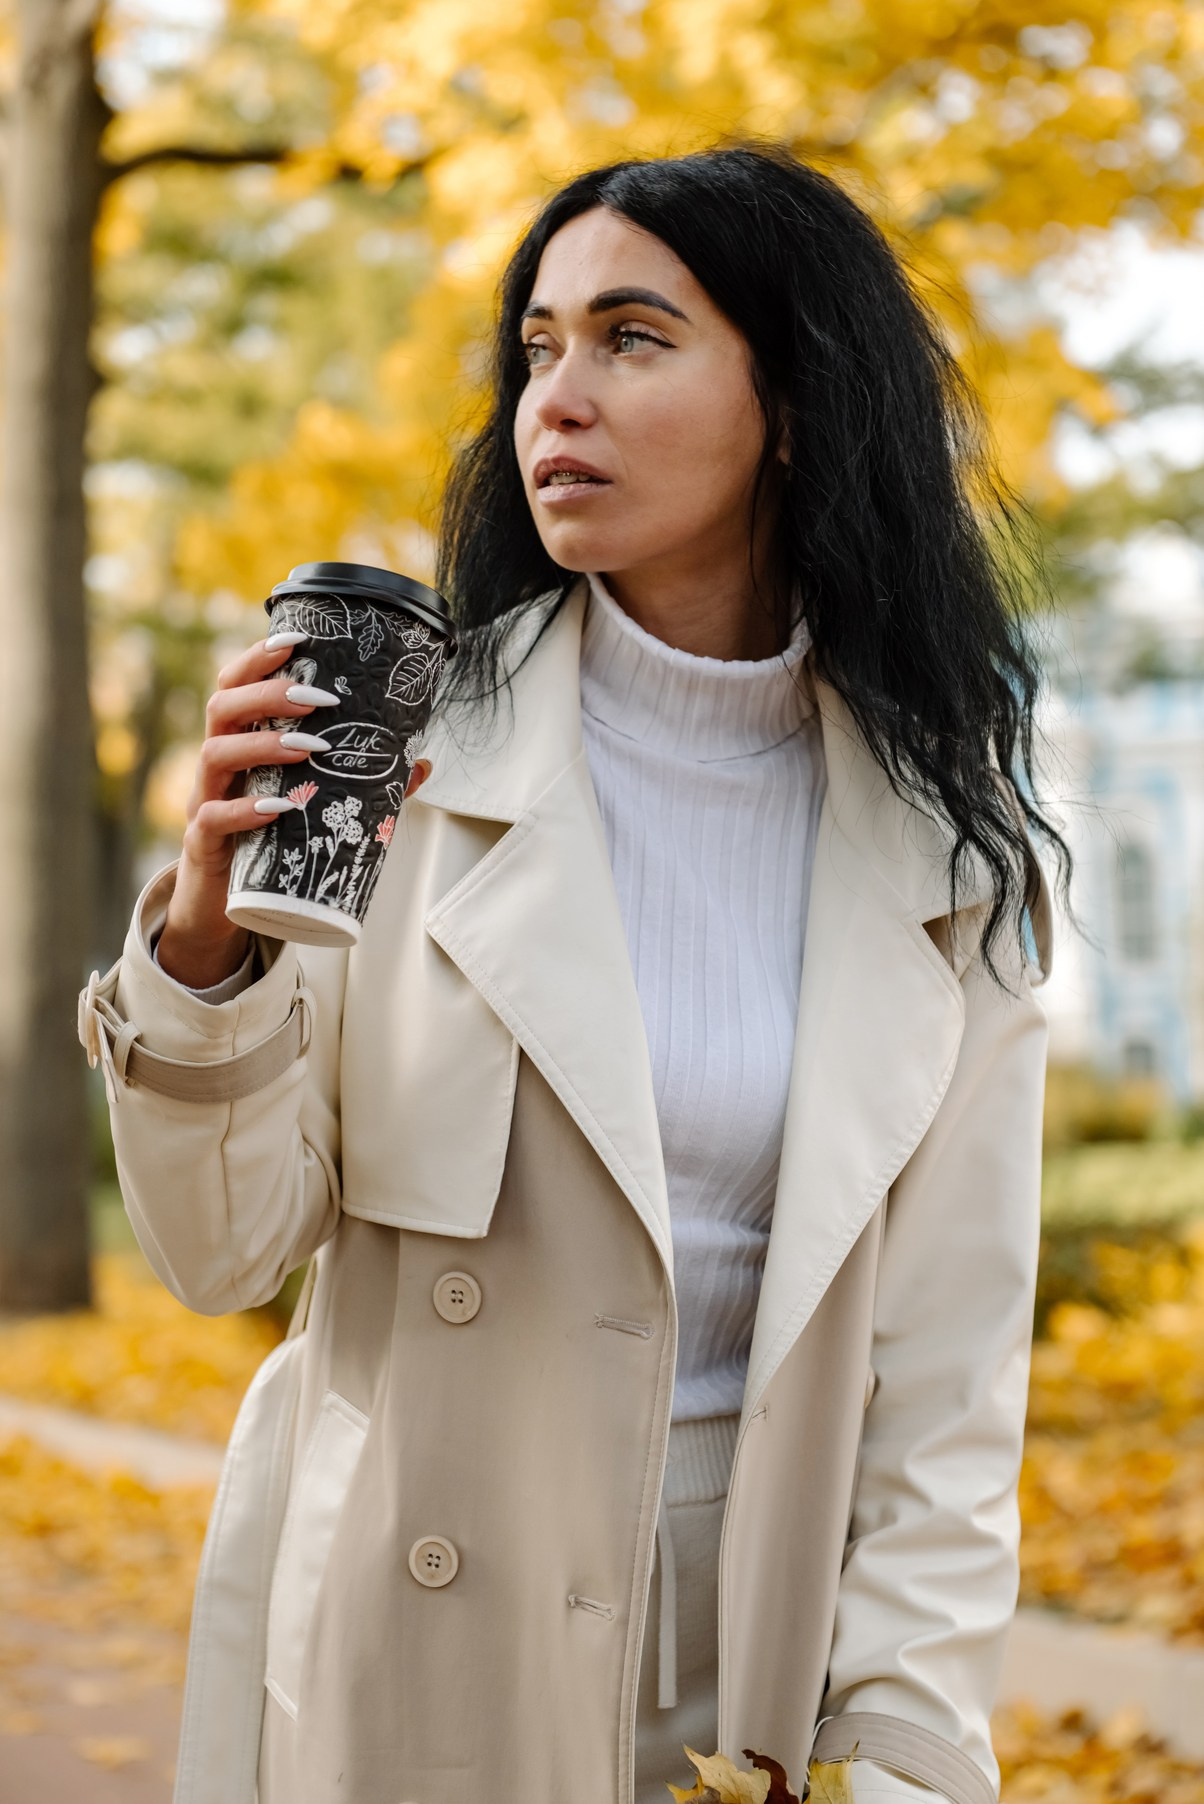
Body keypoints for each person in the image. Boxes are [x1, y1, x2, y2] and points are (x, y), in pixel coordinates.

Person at [79, 143, 1065, 1804]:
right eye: (535, 348)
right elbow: (217, 1248)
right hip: (408, 1636)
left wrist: (901, 1752)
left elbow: (945, 1401)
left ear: (798, 404)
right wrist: (205, 940)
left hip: (747, 1657)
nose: (557, 398)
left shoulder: (947, 856)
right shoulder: (396, 755)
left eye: (631, 337)